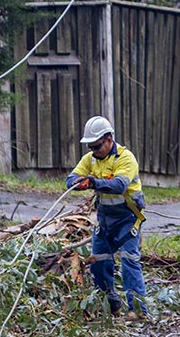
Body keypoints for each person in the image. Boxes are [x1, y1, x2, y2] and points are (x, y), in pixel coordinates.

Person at [66, 115, 148, 318]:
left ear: (109, 139)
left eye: (97, 146)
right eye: (90, 147)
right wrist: (80, 181)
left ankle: (138, 311)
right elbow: (70, 180)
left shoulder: (125, 158)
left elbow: (119, 185)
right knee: (99, 262)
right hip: (104, 219)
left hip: (128, 218)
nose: (94, 151)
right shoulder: (90, 159)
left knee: (129, 260)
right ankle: (112, 306)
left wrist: (93, 182)